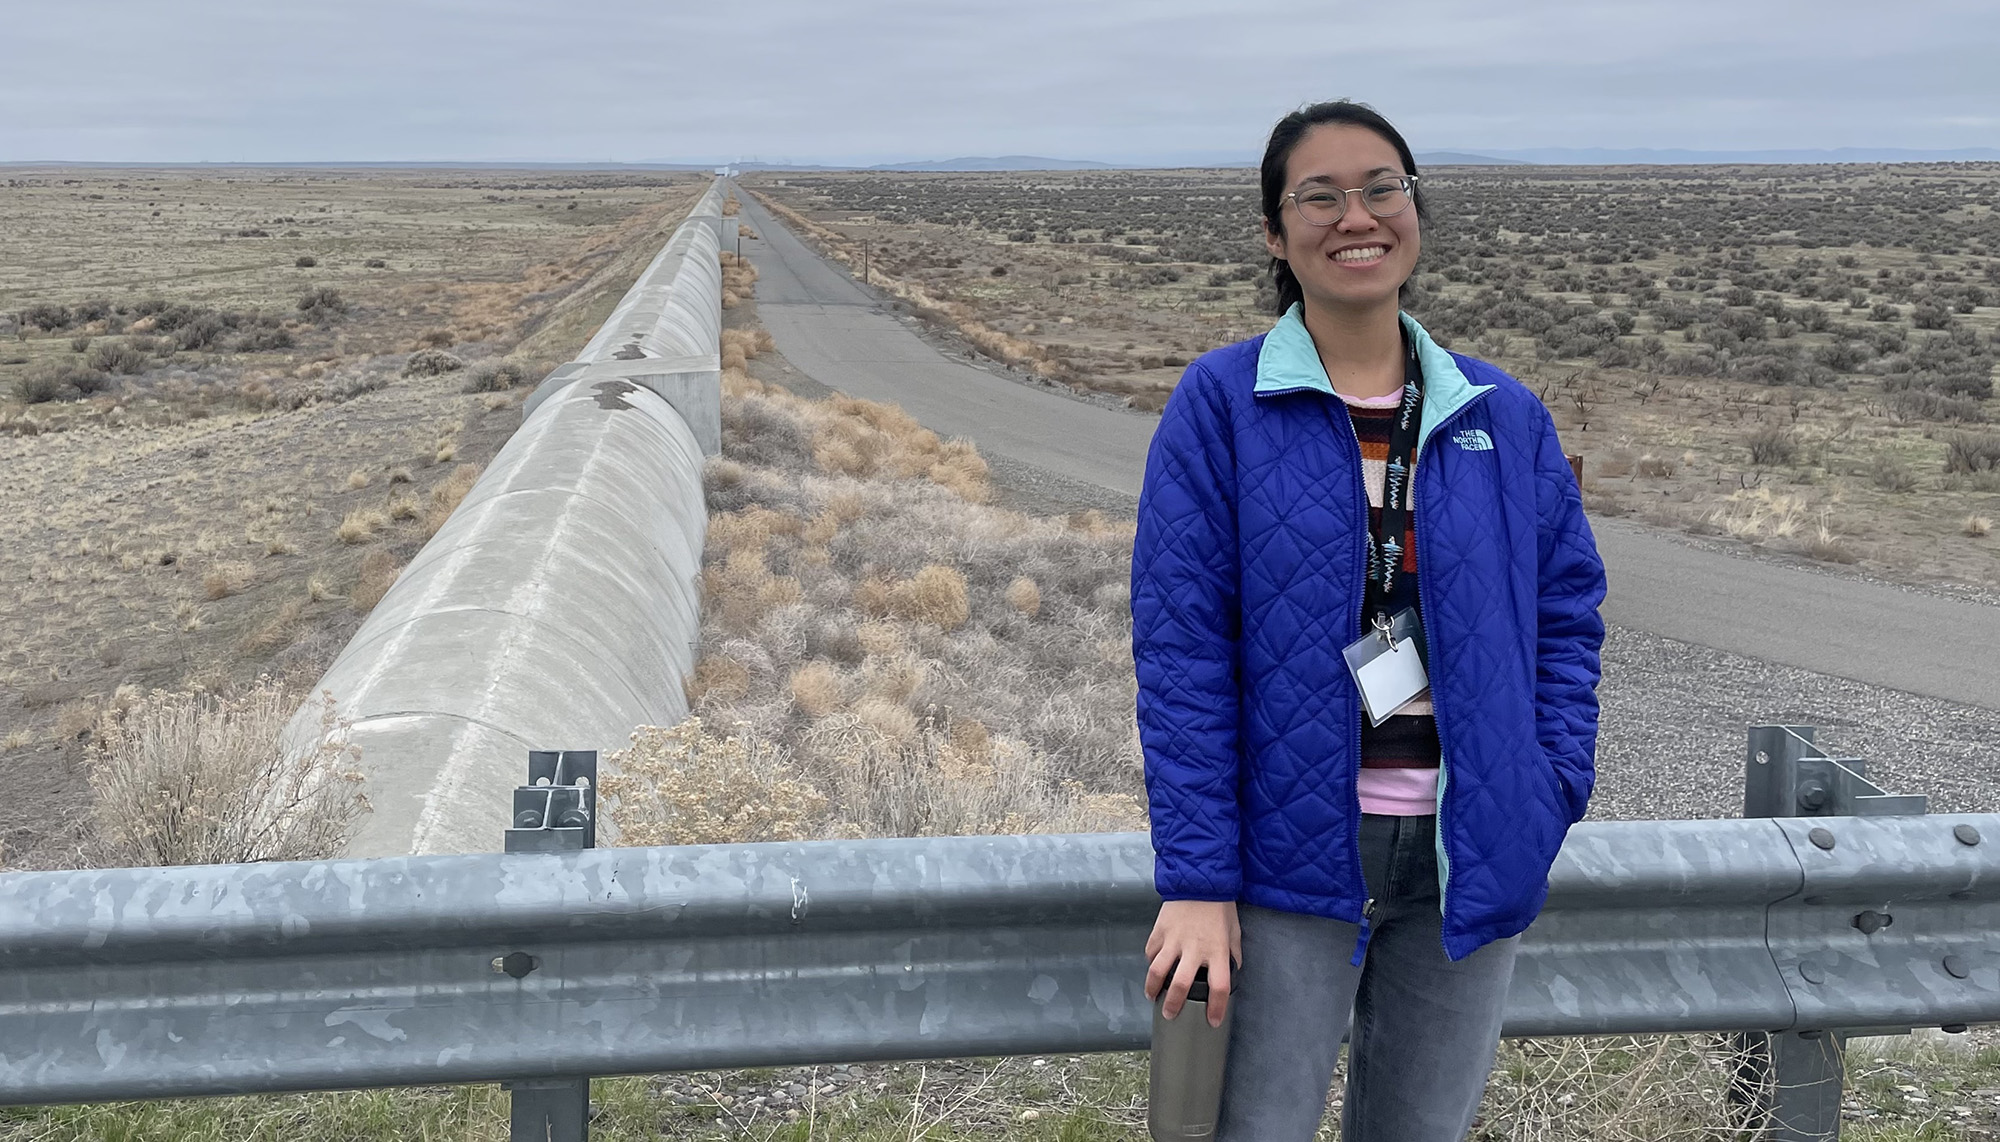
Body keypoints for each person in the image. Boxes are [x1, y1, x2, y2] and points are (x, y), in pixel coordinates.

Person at [1131, 100, 1608, 1142]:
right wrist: (1199, 879)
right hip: (1284, 865)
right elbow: (1181, 654)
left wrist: (1545, 785)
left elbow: (1566, 613)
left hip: (1465, 858)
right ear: (1273, 231)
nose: (1357, 214)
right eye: (1319, 194)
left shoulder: (1499, 414)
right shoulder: (1220, 406)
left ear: (1413, 210)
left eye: (1381, 186)